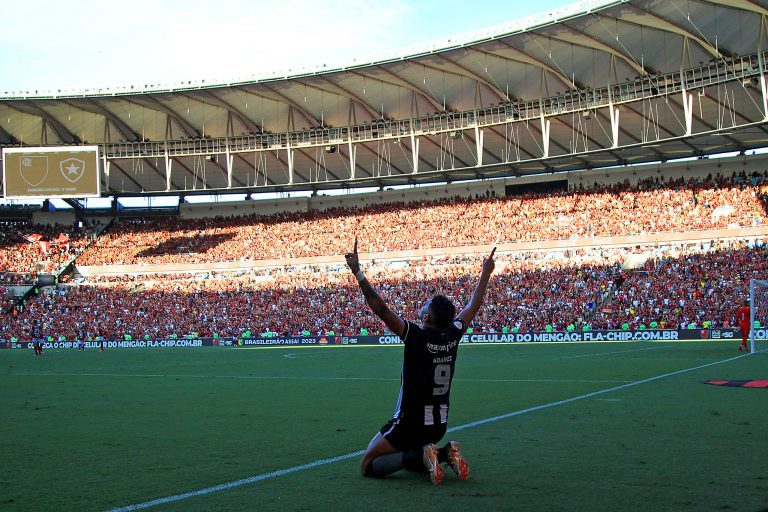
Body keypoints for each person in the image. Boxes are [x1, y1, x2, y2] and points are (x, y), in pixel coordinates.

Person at [345, 239, 496, 485]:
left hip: (410, 423)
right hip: (438, 426)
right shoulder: (453, 334)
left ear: (426, 316)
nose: (422, 305)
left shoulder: (416, 335)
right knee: (411, 460)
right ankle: (443, 452)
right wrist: (486, 273)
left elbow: (381, 310)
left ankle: (424, 454)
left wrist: (358, 273)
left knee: (369, 464)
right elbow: (473, 306)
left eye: (425, 305)